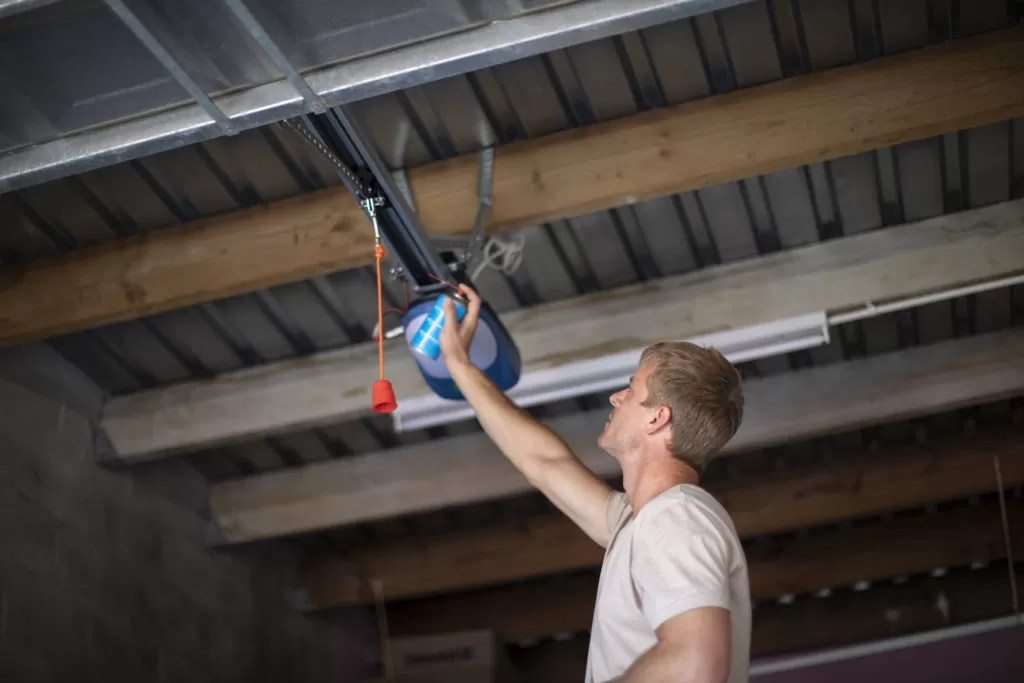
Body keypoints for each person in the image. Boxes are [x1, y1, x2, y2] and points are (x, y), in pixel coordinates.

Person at [437, 285, 751, 683]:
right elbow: (545, 463)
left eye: (631, 389)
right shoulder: (640, 522)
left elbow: (697, 665)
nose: (615, 397)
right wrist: (460, 366)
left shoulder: (676, 519)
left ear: (657, 418)